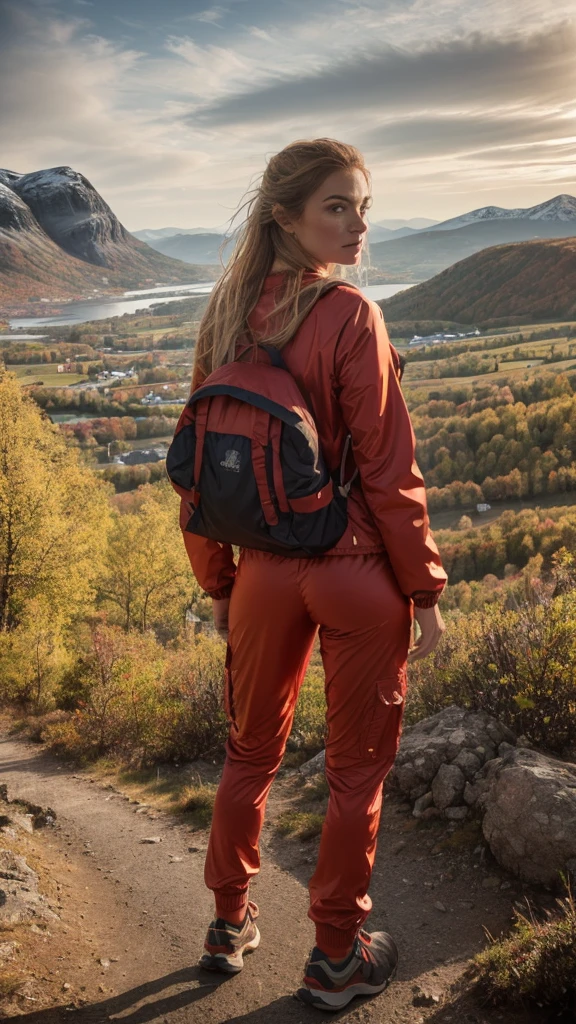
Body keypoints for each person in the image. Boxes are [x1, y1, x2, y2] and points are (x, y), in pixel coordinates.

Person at [179, 138, 448, 1012]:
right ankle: (336, 956)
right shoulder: (349, 315)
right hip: (357, 571)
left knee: (249, 753)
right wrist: (426, 590)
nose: (359, 224)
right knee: (353, 774)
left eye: (364, 205)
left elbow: (201, 475)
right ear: (285, 217)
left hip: (261, 575)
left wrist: (219, 582)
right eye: (338, 205)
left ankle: (228, 925)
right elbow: (388, 468)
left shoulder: (225, 315)